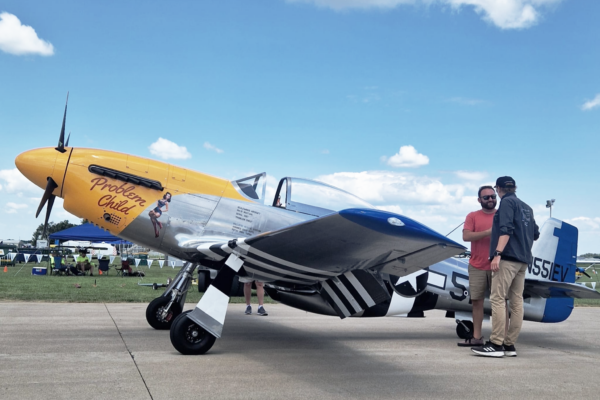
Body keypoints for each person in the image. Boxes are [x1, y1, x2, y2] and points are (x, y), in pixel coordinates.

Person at [472, 176, 539, 358]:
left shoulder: (507, 204)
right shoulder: (527, 208)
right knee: (516, 302)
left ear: (499, 189)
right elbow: (535, 234)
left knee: (497, 298)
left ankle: (496, 344)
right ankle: (509, 345)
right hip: (523, 261)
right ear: (515, 187)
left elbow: (506, 229)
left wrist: (498, 253)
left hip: (508, 258)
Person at [458, 185, 497, 347]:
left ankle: (499, 339)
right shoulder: (472, 216)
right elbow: (466, 236)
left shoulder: (502, 215)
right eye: (486, 197)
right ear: (479, 200)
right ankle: (476, 337)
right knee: (477, 302)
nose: (490, 200)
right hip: (477, 265)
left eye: (493, 196)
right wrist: (489, 232)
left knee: (500, 303)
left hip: (498, 265)